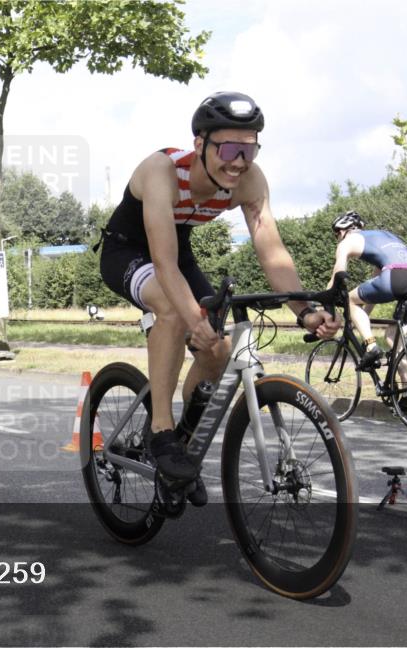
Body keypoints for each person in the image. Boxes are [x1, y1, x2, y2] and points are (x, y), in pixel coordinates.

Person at [98, 91, 339, 498]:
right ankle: (161, 432)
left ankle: (184, 447)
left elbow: (272, 250)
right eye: (229, 149)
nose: (239, 161)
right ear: (200, 144)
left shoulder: (250, 181)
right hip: (128, 251)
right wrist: (194, 319)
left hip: (179, 253)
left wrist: (306, 309)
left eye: (249, 149)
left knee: (219, 349)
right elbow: (164, 265)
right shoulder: (161, 172)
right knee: (174, 312)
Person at [327, 211, 407, 411]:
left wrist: (326, 296)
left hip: (396, 277)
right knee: (393, 336)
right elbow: (374, 285)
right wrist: (362, 317)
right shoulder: (385, 236)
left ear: (342, 230)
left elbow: (338, 272)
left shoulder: (348, 241)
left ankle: (371, 347)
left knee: (349, 299)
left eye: (336, 234)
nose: (337, 238)